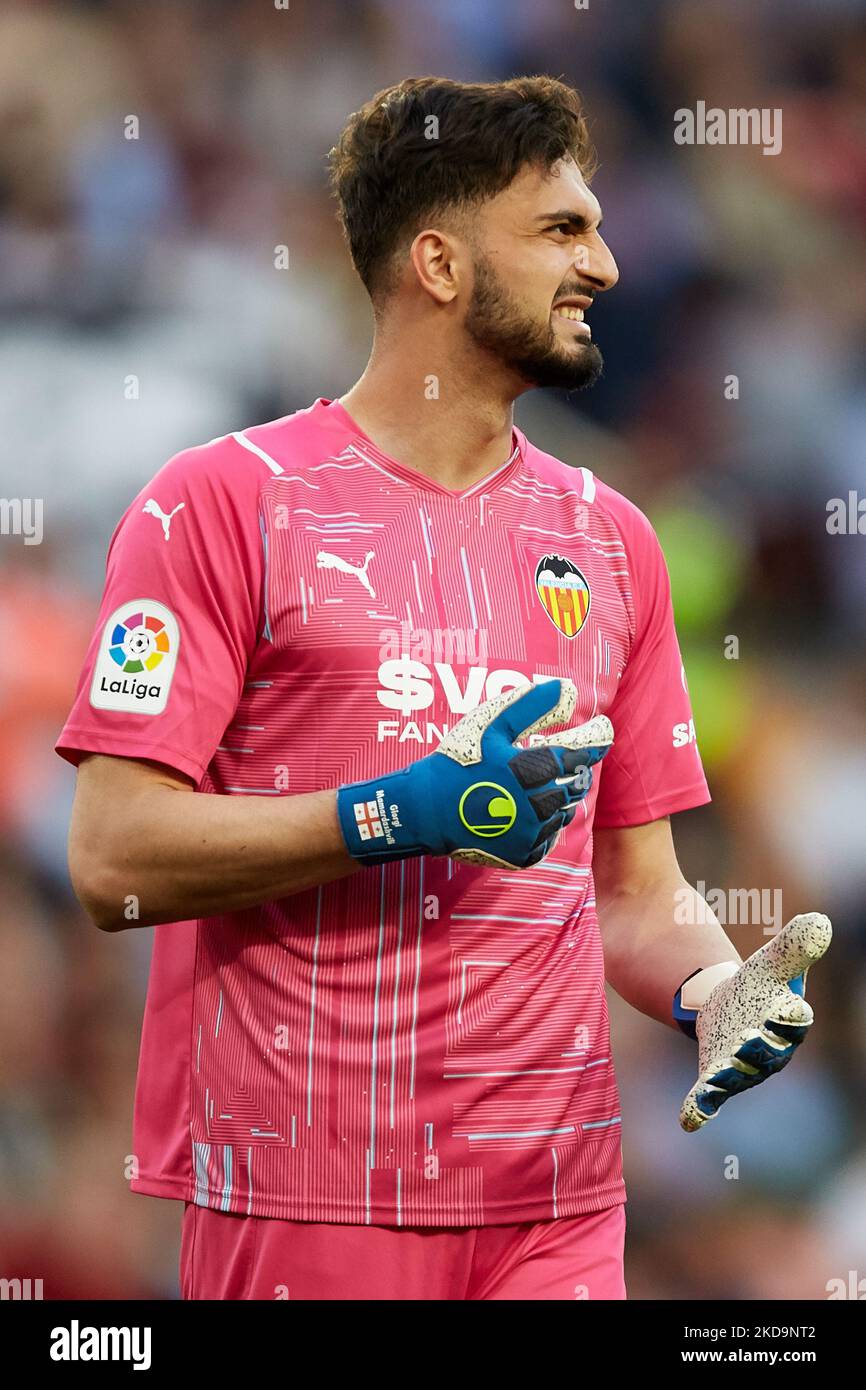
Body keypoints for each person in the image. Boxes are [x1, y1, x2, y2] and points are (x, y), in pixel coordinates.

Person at [56, 76, 820, 1301]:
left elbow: (632, 892)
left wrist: (710, 988)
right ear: (439, 264)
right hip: (308, 1188)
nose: (607, 266)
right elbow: (112, 858)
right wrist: (391, 813)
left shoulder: (614, 538)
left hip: (554, 1207)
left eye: (600, 226)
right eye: (563, 230)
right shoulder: (219, 503)